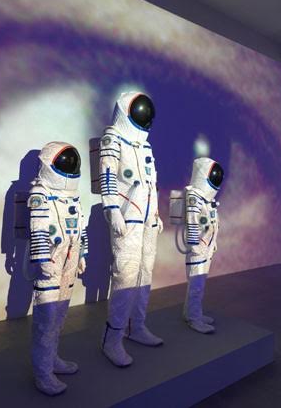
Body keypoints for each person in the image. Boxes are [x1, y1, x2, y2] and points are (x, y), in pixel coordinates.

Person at [99, 92, 164, 367]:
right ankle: (112, 340)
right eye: (139, 110)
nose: (143, 115)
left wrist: (156, 214)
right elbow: (107, 175)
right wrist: (112, 209)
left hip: (147, 220)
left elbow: (151, 184)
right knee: (125, 276)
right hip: (127, 218)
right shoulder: (113, 139)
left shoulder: (144, 147)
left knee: (144, 273)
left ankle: (136, 326)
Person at [28, 142, 88, 396]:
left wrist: (82, 253)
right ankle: (42, 373)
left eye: (72, 163)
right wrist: (42, 260)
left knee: (60, 314)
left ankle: (52, 360)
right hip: (51, 262)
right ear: (49, 163)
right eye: (65, 162)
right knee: (46, 318)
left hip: (70, 259)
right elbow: (39, 230)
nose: (70, 167)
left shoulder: (72, 195)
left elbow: (81, 226)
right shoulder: (40, 194)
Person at [182, 157, 224, 334]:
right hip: (198, 249)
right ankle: (194, 319)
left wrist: (212, 243)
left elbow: (212, 223)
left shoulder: (206, 199)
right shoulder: (194, 197)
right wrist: (195, 247)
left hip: (206, 246)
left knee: (198, 284)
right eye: (213, 175)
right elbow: (192, 223)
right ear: (203, 175)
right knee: (196, 285)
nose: (216, 179)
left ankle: (192, 313)